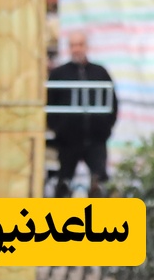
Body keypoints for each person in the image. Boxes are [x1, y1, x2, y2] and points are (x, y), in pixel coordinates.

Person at [47, 30, 117, 197]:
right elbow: (50, 103)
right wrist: (59, 129)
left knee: (100, 183)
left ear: (86, 46)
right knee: (63, 183)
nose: (76, 49)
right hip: (68, 140)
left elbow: (112, 102)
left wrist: (105, 128)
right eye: (73, 45)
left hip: (95, 140)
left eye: (80, 44)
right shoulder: (59, 74)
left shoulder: (99, 72)